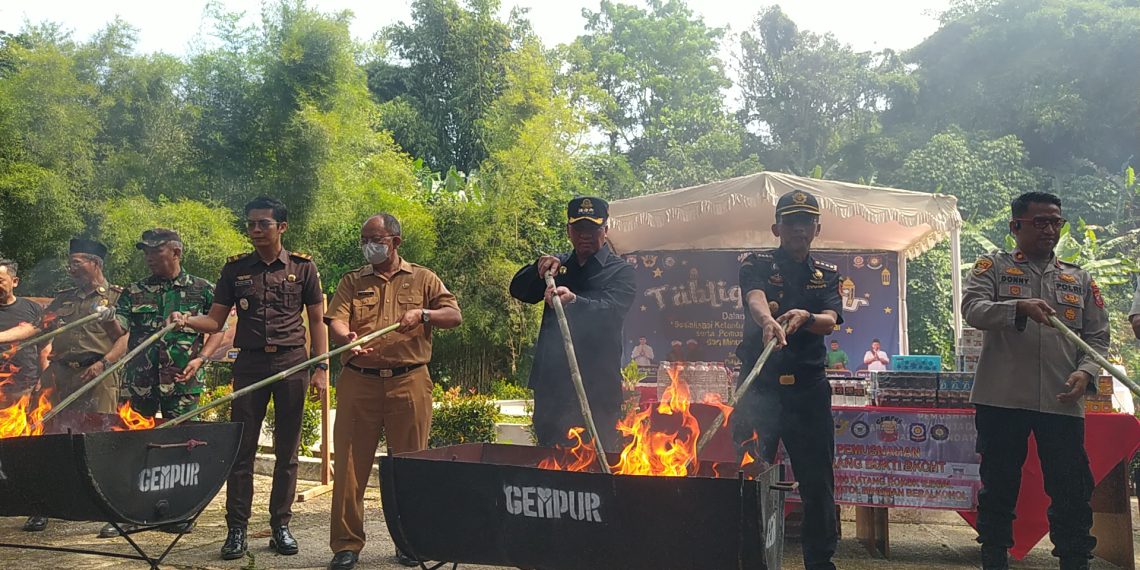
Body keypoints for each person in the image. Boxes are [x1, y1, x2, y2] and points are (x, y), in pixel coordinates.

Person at [172, 197, 329, 560]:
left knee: (287, 452)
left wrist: (320, 369)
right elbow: (215, 321)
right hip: (250, 366)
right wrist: (185, 320)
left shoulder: (303, 268)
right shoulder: (235, 270)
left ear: (282, 227)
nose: (256, 231)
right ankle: (237, 530)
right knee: (241, 451)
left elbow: (317, 322)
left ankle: (280, 526)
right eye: (251, 225)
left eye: (263, 224)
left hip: (292, 365)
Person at [963, 192, 1108, 570]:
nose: (1049, 229)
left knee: (1072, 488)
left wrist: (1086, 372)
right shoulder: (992, 267)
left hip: (1062, 398)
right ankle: (994, 556)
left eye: (1055, 221)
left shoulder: (1078, 277)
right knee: (999, 485)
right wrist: (1017, 308)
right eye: (1039, 221)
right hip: (1002, 398)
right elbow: (973, 309)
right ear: (1016, 226)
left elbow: (1097, 338)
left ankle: (1075, 559)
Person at [325, 213, 462, 570]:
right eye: (364, 239)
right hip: (359, 382)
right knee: (350, 467)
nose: (368, 245)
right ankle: (346, 545)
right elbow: (337, 319)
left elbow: (453, 315)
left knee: (410, 465)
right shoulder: (352, 281)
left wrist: (424, 315)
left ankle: (410, 541)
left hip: (409, 381)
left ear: (395, 242)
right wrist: (345, 337)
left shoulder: (424, 278)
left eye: (375, 239)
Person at [730, 190, 842, 570]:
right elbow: (755, 298)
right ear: (777, 226)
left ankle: (820, 560)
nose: (798, 227)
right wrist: (767, 322)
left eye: (806, 221)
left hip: (808, 391)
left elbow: (830, 319)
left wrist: (806, 318)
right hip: (760, 387)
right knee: (744, 473)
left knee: (817, 482)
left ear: (817, 228)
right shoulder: (756, 263)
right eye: (791, 220)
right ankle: (738, 554)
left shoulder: (826, 273)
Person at [104, 229, 222, 533]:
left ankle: (178, 512)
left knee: (182, 446)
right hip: (140, 379)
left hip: (183, 380)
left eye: (156, 251)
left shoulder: (202, 289)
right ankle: (131, 513)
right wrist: (105, 319)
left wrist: (201, 359)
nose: (149, 257)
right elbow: (121, 333)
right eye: (145, 251)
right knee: (133, 443)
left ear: (175, 252)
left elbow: (218, 329)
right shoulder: (134, 291)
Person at [509, 196, 635, 452]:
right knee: (550, 461)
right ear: (569, 231)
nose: (585, 235)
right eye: (578, 229)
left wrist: (575, 300)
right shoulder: (557, 266)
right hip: (552, 387)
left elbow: (611, 310)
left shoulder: (621, 271)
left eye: (592, 229)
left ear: (605, 230)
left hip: (597, 388)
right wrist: (537, 268)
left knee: (596, 462)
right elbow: (518, 290)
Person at [23, 240, 127, 534]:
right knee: (51, 442)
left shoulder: (117, 297)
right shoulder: (63, 298)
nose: (70, 267)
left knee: (102, 442)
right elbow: (38, 327)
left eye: (77, 261)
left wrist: (104, 363)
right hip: (61, 375)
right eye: (70, 261)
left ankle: (111, 509)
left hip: (99, 375)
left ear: (95, 263)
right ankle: (43, 507)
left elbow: (125, 338)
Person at [0, 258, 51, 533]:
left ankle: (37, 510)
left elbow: (45, 346)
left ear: (14, 281)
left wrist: (43, 380)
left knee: (28, 454)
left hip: (23, 389)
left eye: (0, 279)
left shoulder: (31, 309)